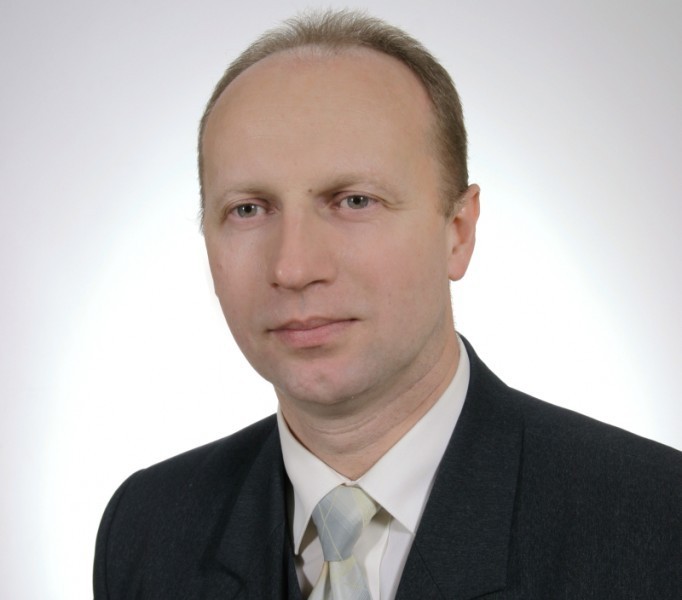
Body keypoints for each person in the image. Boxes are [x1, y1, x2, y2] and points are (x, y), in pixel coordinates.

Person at [94, 10, 681, 599]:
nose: (293, 268)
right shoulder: (147, 531)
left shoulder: (656, 521)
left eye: (354, 201)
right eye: (248, 209)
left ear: (458, 231)